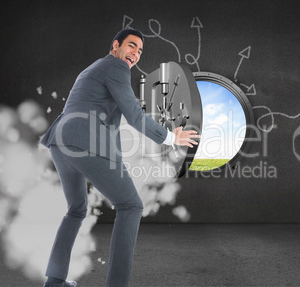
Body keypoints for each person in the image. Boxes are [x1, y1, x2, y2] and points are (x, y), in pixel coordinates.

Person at [40, 28, 200, 287]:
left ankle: (54, 282)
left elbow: (107, 118)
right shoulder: (116, 68)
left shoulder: (96, 67)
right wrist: (171, 138)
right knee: (131, 206)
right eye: (131, 46)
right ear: (115, 45)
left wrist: (115, 160)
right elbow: (134, 116)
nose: (135, 54)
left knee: (76, 210)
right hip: (85, 143)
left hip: (61, 142)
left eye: (139, 51)